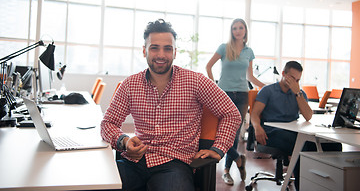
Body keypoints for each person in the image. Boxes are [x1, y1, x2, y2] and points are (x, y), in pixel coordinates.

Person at [101, 19, 242, 191]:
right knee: (96, 184)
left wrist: (219, 148)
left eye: (167, 48)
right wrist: (123, 141)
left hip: (175, 165)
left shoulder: (195, 81)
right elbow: (108, 123)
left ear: (175, 52)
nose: (161, 54)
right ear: (144, 50)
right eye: (154, 48)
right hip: (135, 161)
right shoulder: (130, 85)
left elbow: (231, 113)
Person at [251, 61, 342, 191]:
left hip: (292, 131)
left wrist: (297, 93)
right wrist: (257, 127)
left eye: (298, 80)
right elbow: (254, 114)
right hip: (271, 132)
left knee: (332, 145)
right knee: (302, 146)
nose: (295, 83)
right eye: (292, 78)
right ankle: (303, 187)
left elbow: (308, 116)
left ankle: (326, 185)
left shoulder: (299, 93)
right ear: (283, 74)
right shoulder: (268, 91)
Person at [206, 18, 265, 185]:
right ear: (231, 31)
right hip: (223, 93)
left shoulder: (249, 52)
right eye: (234, 28)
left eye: (240, 28)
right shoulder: (224, 48)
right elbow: (208, 66)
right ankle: (239, 159)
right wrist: (214, 87)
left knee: (234, 134)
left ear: (245, 31)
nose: (237, 31)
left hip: (242, 95)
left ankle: (226, 171)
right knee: (219, 132)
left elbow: (250, 76)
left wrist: (267, 86)